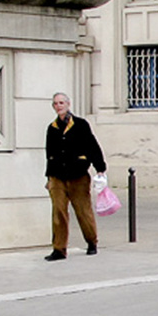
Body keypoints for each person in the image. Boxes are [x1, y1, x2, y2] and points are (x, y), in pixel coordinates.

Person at [44, 92, 107, 261]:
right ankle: (59, 249)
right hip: (57, 176)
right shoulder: (52, 128)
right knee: (58, 212)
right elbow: (49, 153)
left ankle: (92, 242)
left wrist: (100, 168)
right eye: (56, 103)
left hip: (78, 175)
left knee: (83, 210)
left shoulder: (80, 125)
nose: (59, 106)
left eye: (62, 102)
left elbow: (92, 146)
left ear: (68, 104)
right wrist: (48, 177)